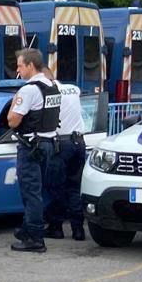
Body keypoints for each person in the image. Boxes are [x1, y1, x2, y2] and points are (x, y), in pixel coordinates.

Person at [6, 48, 61, 253]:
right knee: (38, 192)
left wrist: (13, 104)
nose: (17, 69)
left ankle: (35, 238)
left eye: (20, 65)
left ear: (30, 65)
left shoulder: (29, 89)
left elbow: (13, 120)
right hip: (47, 144)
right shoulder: (52, 86)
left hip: (31, 146)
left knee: (30, 193)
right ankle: (28, 228)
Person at [45, 78, 87, 241]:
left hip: (61, 145)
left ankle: (56, 227)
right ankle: (78, 230)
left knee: (56, 187)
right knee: (74, 187)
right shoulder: (73, 89)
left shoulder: (50, 93)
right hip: (79, 142)